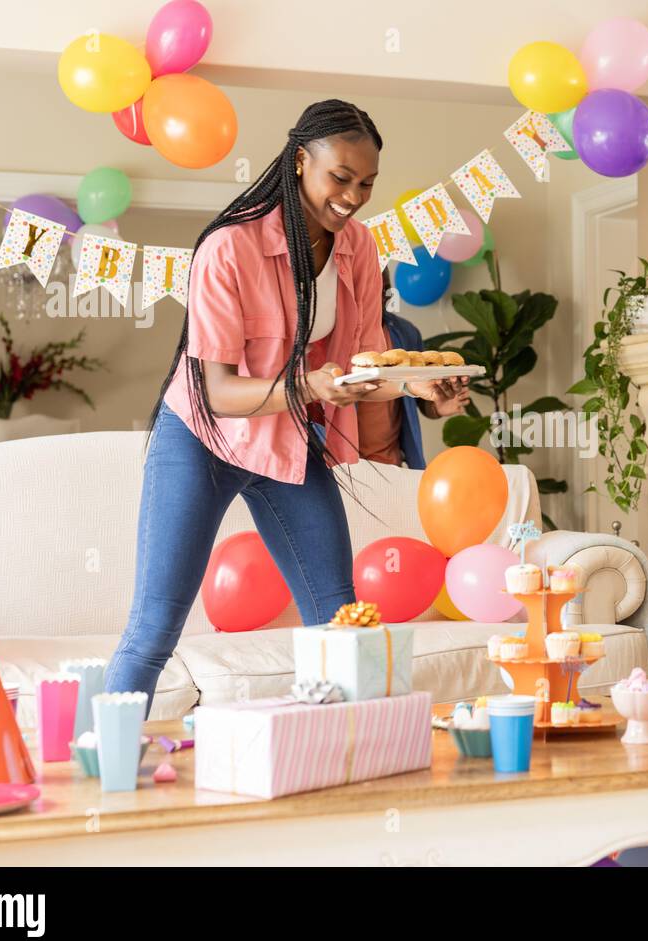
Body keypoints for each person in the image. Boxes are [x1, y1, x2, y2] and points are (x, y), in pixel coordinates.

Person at [105, 99, 465, 708]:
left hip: (286, 441)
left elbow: (362, 370)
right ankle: (100, 763)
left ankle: (351, 759)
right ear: (301, 161)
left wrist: (419, 391)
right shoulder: (230, 247)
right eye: (341, 178)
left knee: (341, 621)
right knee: (155, 627)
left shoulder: (359, 249)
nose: (353, 196)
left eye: (367, 184)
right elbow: (217, 393)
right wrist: (307, 387)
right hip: (202, 440)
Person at [353, 271, 469, 467]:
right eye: (370, 287)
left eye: (385, 289)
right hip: (345, 468)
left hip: (392, 464)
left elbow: (419, 399)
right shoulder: (332, 335)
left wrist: (437, 405)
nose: (380, 296)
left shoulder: (405, 333)